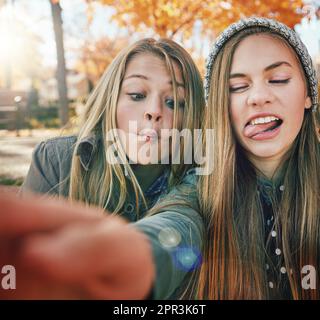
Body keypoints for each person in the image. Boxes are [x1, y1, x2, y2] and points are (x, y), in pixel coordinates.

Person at [0, 38, 205, 299]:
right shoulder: (56, 160)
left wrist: (134, 256)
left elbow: (182, 221)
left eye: (175, 102)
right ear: (111, 100)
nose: (154, 111)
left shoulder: (199, 176)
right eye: (137, 95)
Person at [197, 17, 319, 299]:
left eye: (278, 79)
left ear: (308, 95)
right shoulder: (196, 190)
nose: (259, 97)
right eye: (238, 87)